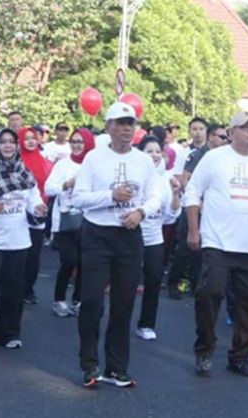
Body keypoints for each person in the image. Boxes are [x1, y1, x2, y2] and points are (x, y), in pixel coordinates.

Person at [184, 111, 248, 377]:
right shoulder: (214, 158)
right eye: (247, 128)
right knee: (210, 294)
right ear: (232, 132)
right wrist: (193, 230)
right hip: (217, 241)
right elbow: (192, 192)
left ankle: (240, 356)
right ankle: (204, 348)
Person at [72, 102, 161, 388]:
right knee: (93, 302)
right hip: (97, 234)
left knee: (123, 303)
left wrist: (141, 212)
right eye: (121, 123)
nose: (126, 129)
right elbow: (79, 198)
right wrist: (111, 195)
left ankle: (117, 367)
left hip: (129, 236)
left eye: (130, 124)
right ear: (109, 126)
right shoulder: (94, 158)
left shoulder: (143, 161)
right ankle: (89, 364)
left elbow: (155, 195)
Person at [0, 128, 47, 351]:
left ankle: (9, 333)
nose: (7, 146)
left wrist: (38, 208)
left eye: (11, 142)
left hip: (17, 239)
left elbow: (33, 199)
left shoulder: (24, 171)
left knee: (14, 289)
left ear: (17, 145)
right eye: (2, 142)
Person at [166, 123, 227, 300]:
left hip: (213, 210)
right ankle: (173, 283)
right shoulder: (197, 155)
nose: (224, 140)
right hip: (193, 207)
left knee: (203, 250)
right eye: (220, 136)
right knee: (185, 247)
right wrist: (198, 201)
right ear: (211, 137)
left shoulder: (224, 157)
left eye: (226, 137)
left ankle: (196, 284)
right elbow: (185, 181)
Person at [44, 128, 95, 317]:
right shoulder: (62, 164)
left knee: (84, 262)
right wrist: (66, 185)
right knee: (69, 260)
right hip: (65, 221)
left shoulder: (93, 164)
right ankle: (59, 299)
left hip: (88, 220)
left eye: (81, 141)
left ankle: (77, 300)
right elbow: (49, 188)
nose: (76, 145)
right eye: (73, 141)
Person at [135, 136, 181, 340]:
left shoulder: (166, 179)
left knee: (153, 279)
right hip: (130, 237)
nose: (154, 155)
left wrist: (176, 194)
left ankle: (146, 324)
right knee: (126, 282)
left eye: (157, 151)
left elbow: (170, 218)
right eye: (149, 151)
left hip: (154, 238)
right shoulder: (134, 174)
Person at [18, 127, 53, 304]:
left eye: (34, 138)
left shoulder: (45, 162)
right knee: (18, 256)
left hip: (37, 212)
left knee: (33, 255)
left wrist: (41, 206)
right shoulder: (15, 162)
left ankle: (28, 290)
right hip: (16, 215)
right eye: (27, 138)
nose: (31, 141)